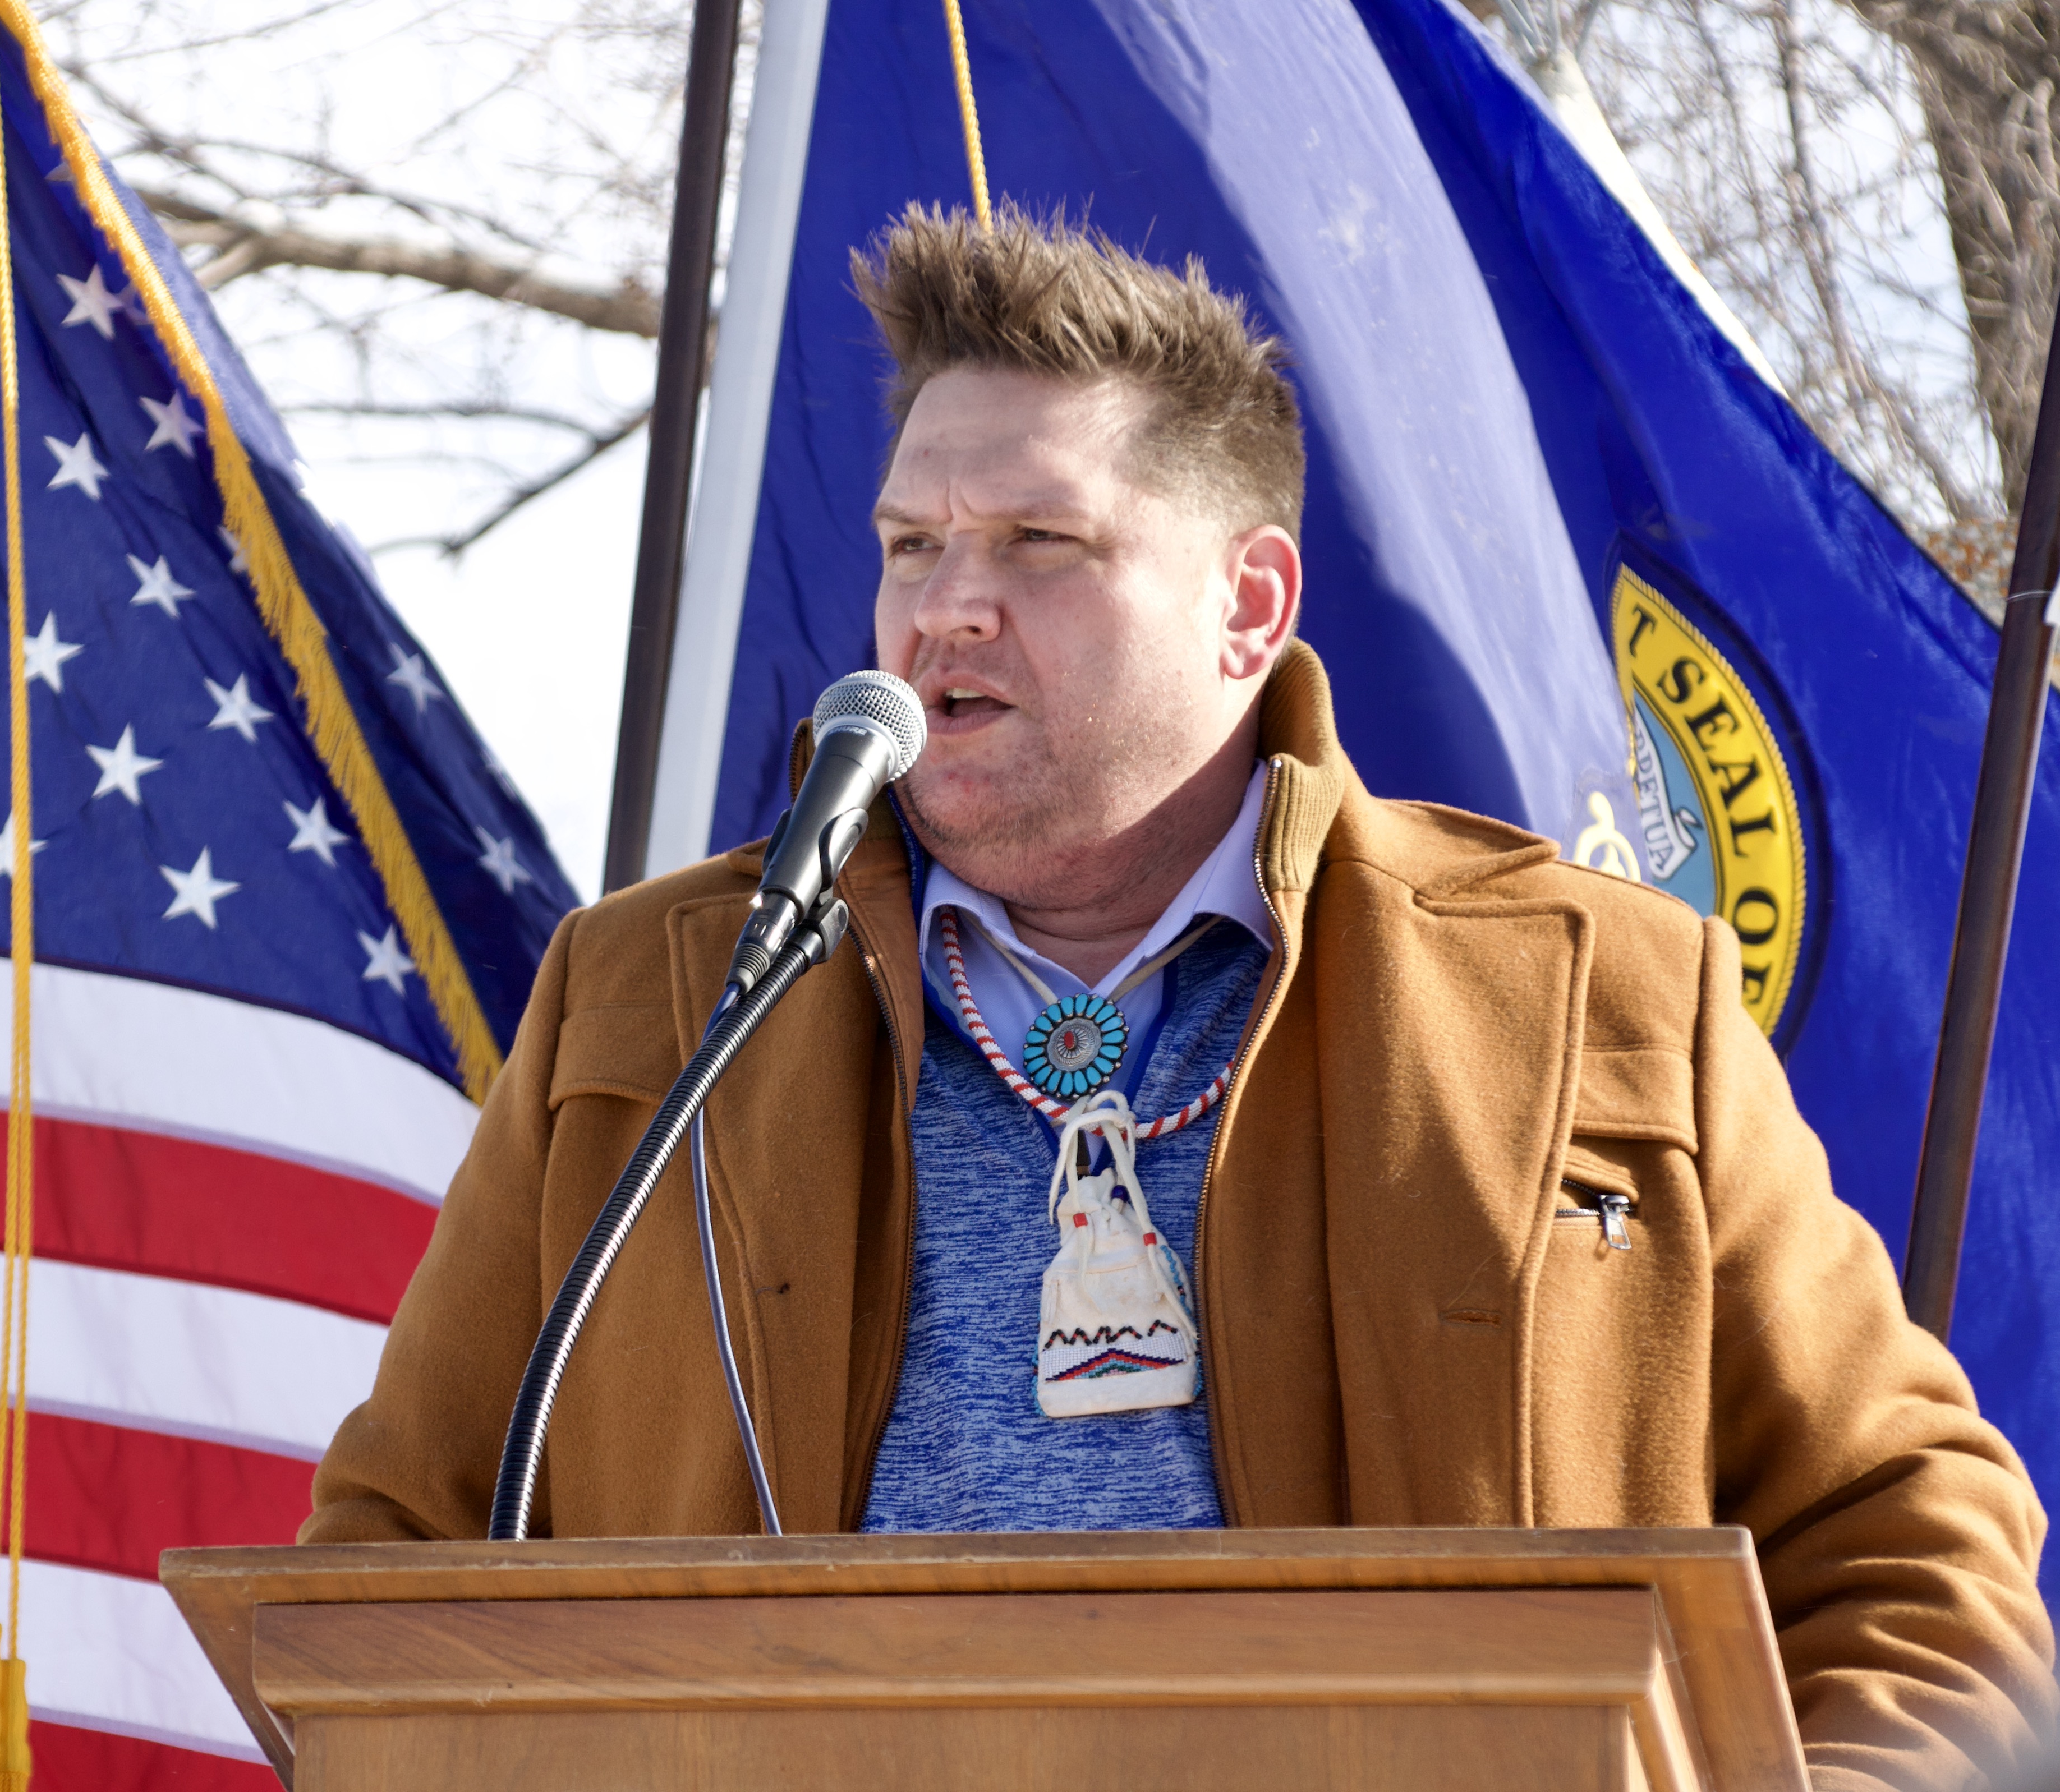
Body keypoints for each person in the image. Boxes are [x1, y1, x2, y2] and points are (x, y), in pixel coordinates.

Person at [302, 205, 2054, 1789]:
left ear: (1249, 603)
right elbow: (392, 1559)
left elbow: (1910, 1546)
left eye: (1037, 542)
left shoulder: (1592, 989)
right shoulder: (649, 1002)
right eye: (909, 546)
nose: (940, 612)